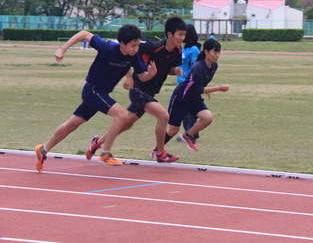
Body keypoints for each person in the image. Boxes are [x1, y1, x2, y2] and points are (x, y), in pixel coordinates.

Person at [35, 25, 155, 171]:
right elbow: (84, 34)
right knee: (122, 115)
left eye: (137, 45)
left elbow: (143, 77)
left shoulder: (133, 56)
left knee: (71, 125)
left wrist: (151, 74)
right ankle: (105, 153)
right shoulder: (108, 47)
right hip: (92, 90)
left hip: (102, 93)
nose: (136, 49)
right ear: (122, 43)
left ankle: (43, 150)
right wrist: (62, 49)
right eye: (133, 45)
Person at [87, 17, 186, 163]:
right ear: (169, 34)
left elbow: (169, 70)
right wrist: (129, 77)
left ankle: (98, 141)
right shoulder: (152, 47)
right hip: (139, 88)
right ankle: (159, 152)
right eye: (180, 34)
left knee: (126, 124)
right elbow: (128, 55)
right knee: (163, 116)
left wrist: (175, 72)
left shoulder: (177, 51)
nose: (182, 38)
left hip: (151, 91)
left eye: (184, 35)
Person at [165, 39, 230, 151]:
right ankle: (157, 150)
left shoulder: (214, 66)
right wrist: (218, 88)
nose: (217, 55)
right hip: (181, 97)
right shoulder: (198, 66)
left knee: (207, 117)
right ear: (206, 52)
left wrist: (208, 90)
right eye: (215, 52)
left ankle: (188, 135)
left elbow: (202, 84)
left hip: (194, 99)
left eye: (219, 52)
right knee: (173, 130)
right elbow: (199, 89)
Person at [176, 24, 202, 142]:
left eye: (184, 34)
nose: (182, 37)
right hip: (181, 83)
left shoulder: (194, 49)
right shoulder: (184, 48)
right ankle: (191, 134)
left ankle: (190, 135)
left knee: (188, 111)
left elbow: (196, 67)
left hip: (189, 84)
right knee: (185, 111)